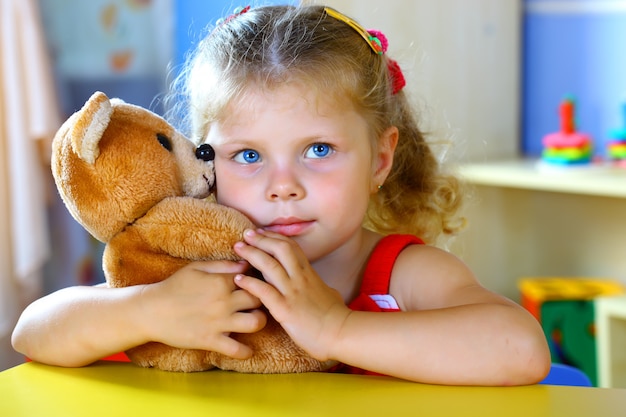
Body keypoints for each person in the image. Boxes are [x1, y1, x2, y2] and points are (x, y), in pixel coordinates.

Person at [12, 4, 550, 385]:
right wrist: (149, 311)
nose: (283, 186)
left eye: (318, 150)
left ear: (380, 159)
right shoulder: (194, 271)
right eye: (248, 156)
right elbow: (31, 332)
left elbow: (521, 350)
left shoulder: (398, 276)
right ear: (206, 164)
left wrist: (335, 328)